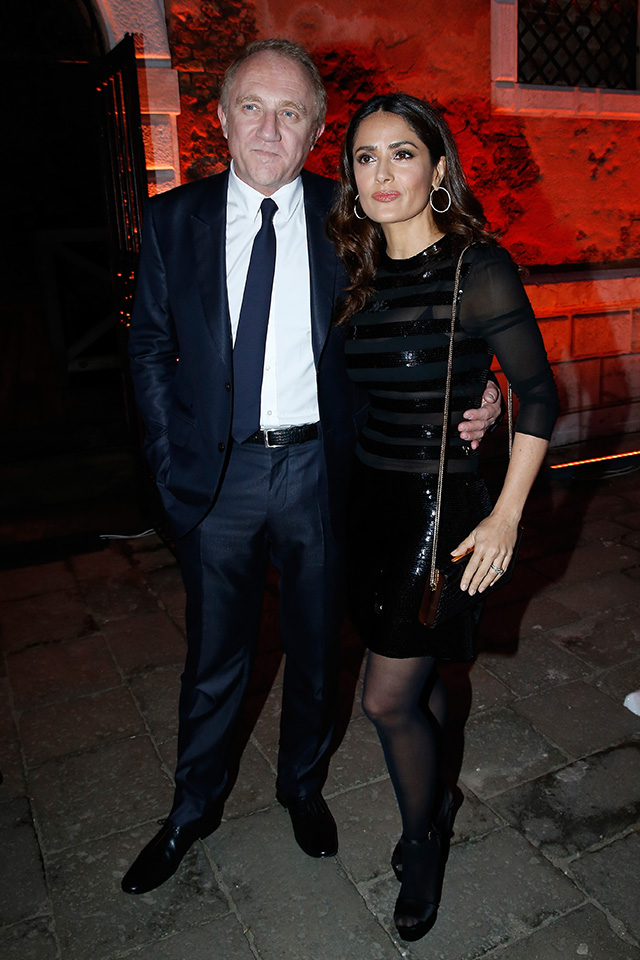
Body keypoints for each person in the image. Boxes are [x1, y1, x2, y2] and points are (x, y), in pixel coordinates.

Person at [122, 42, 500, 896]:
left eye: (290, 112)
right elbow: (148, 347)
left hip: (322, 476)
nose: (270, 128)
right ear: (221, 119)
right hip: (216, 482)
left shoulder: (353, 218)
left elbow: (441, 307)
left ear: (317, 129)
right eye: (252, 108)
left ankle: (301, 785)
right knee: (215, 658)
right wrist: (169, 461)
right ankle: (191, 808)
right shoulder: (173, 220)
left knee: (318, 651)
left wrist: (488, 390)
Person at [326, 93, 558, 942]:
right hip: (370, 505)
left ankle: (423, 840)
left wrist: (505, 518)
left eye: (402, 153)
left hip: (441, 509)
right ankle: (437, 799)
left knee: (385, 699)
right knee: (412, 680)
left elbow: (538, 393)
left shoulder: (476, 267)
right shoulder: (353, 269)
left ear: (437, 169)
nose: (383, 173)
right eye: (365, 157)